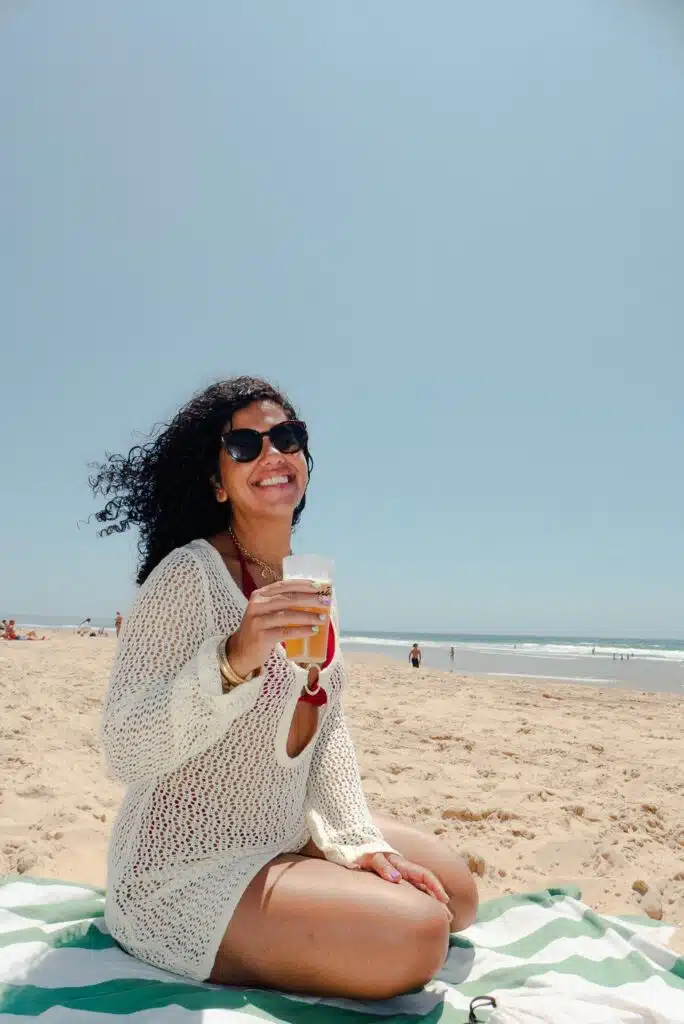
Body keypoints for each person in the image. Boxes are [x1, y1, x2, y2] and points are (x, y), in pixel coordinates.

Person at [91, 377, 477, 1000]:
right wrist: (232, 661)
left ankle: (312, 876)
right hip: (183, 868)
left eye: (287, 438)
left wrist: (355, 841)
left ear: (304, 462)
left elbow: (330, 732)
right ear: (218, 481)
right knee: (420, 935)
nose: (272, 453)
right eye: (245, 445)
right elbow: (122, 748)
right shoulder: (187, 578)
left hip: (284, 826)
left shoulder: (310, 583)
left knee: (458, 892)